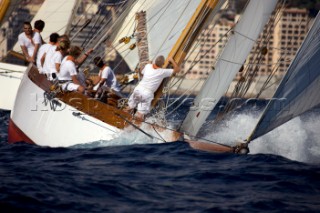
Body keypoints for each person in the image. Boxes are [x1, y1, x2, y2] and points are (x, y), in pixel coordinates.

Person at [125, 55, 180, 120]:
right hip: (147, 93)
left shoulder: (148, 66)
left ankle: (121, 118)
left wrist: (149, 64)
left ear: (155, 61)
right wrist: (171, 60)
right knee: (140, 114)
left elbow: (142, 73)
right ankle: (132, 128)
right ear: (163, 64)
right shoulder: (162, 72)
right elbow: (177, 70)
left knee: (129, 107)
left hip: (138, 89)